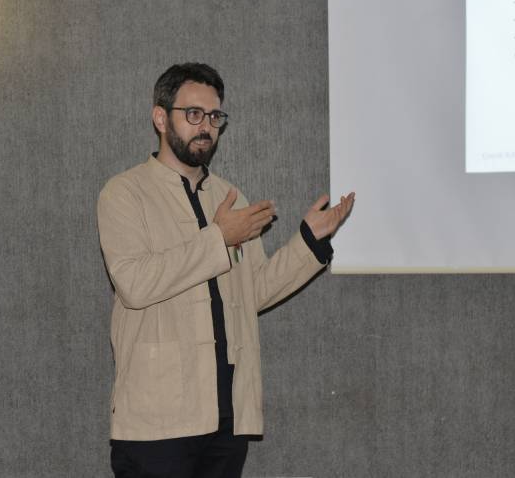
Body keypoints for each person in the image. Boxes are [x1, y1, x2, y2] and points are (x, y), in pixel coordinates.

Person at [97, 63, 354, 477]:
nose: (206, 127)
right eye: (193, 114)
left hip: (227, 417)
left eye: (215, 116)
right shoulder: (124, 193)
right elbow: (134, 284)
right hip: (157, 419)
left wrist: (309, 240)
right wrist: (219, 238)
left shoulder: (229, 196)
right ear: (160, 118)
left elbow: (254, 291)